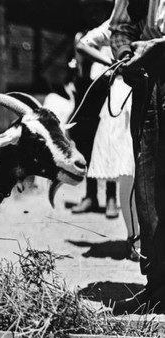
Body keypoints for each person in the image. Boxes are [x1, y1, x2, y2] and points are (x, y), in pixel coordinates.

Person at [110, 0, 165, 313]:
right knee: (147, 191)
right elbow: (120, 28)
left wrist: (157, 46)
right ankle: (157, 288)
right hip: (149, 84)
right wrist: (125, 54)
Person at [77, 19, 141, 261]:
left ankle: (141, 237)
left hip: (145, 89)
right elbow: (84, 44)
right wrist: (114, 63)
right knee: (127, 169)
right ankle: (134, 237)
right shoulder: (119, 22)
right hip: (124, 94)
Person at [69, 0, 119, 219]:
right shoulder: (81, 37)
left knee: (109, 142)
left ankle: (110, 197)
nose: (92, 13)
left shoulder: (113, 36)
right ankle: (90, 195)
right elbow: (76, 67)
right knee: (86, 144)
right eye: (88, 9)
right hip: (86, 94)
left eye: (97, 8)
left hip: (106, 93)